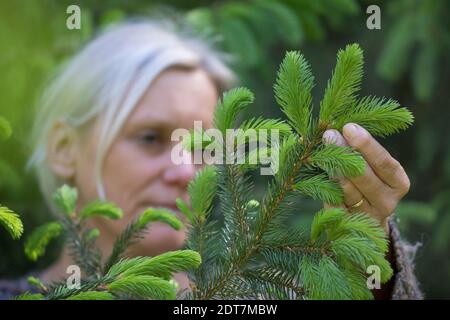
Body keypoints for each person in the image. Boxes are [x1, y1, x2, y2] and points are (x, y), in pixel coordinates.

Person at [0, 20, 422, 299]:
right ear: (63, 148)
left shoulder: (256, 298)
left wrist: (370, 255)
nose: (185, 170)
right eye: (150, 138)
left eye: (203, 145)